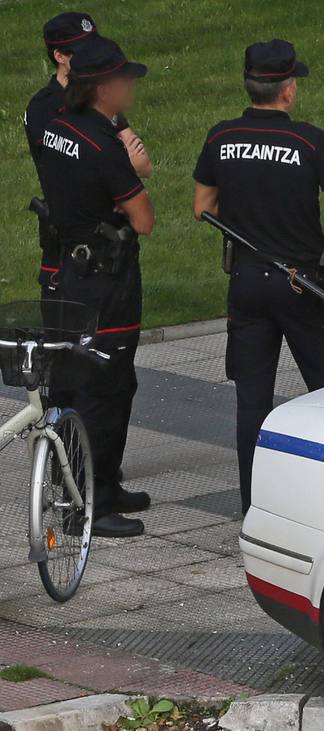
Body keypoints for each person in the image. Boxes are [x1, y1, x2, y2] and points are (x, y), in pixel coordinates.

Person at [192, 40, 324, 513]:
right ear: (288, 91)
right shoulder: (308, 141)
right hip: (301, 286)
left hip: (246, 283)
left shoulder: (220, 137)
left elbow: (201, 208)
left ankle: (255, 508)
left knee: (252, 401)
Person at [35, 37, 154, 538]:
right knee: (106, 387)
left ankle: (91, 481)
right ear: (102, 87)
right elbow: (143, 218)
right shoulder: (104, 144)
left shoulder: (55, 125)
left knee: (74, 381)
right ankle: (95, 502)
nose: (129, 85)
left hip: (66, 268)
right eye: (123, 78)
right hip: (107, 281)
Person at [25, 13, 151, 299]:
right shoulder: (44, 107)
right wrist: (115, 167)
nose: (93, 55)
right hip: (70, 238)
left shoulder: (101, 99)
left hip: (108, 244)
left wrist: (113, 168)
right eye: (82, 51)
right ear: (59, 56)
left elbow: (143, 164)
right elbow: (69, 166)